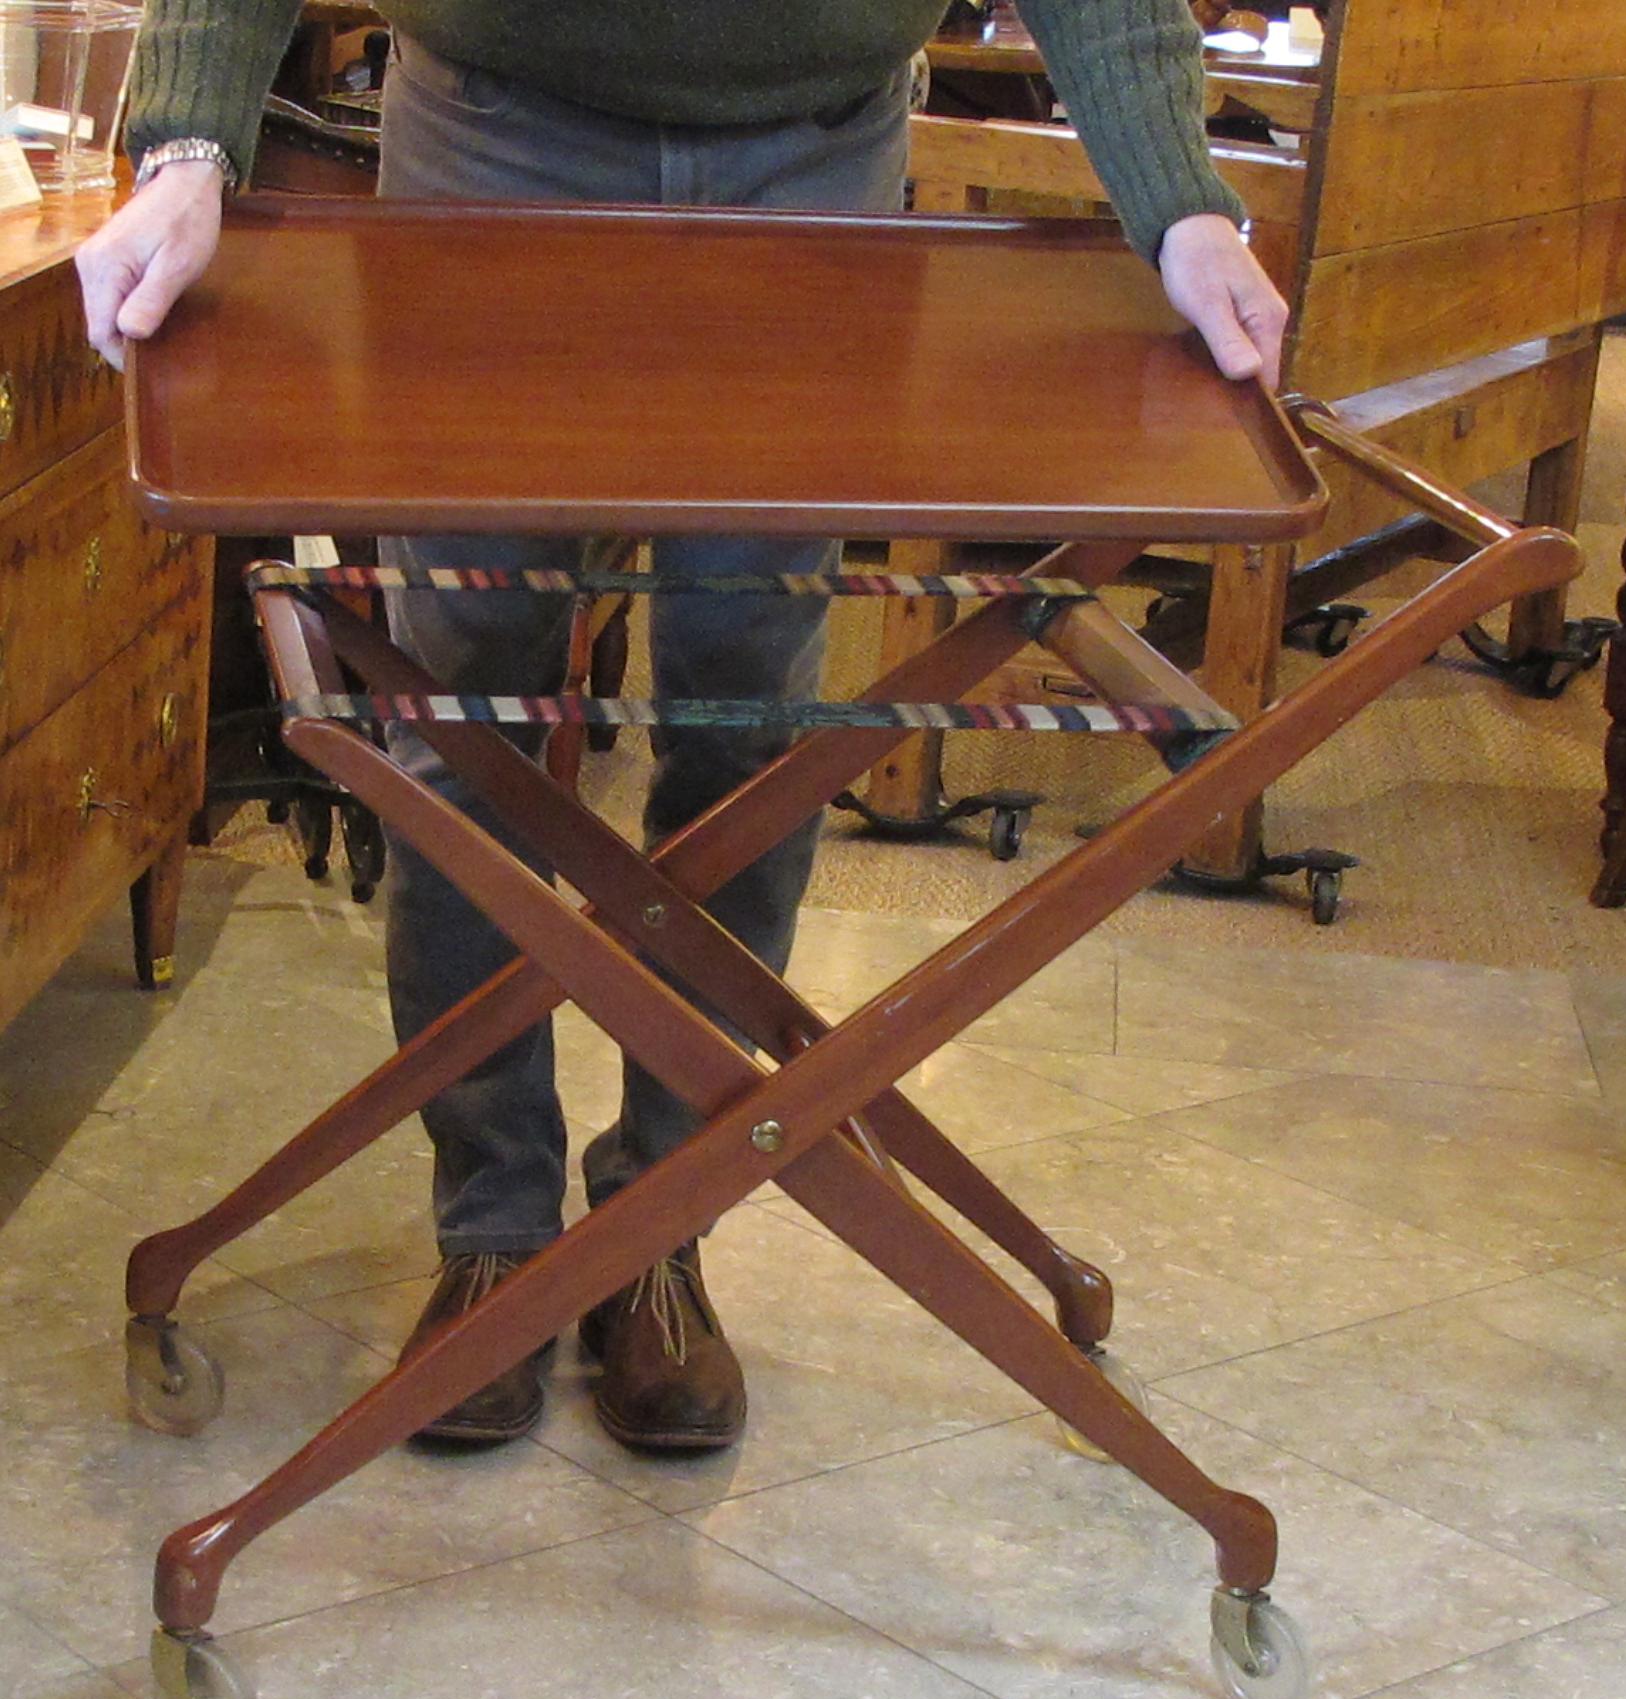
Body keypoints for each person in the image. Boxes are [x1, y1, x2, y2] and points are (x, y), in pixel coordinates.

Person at [78, 0, 1288, 1453]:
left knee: (750, 735)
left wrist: (1180, 202)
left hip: (815, 160)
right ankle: (496, 1239)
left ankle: (660, 1228)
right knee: (463, 733)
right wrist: (189, 142)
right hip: (490, 142)